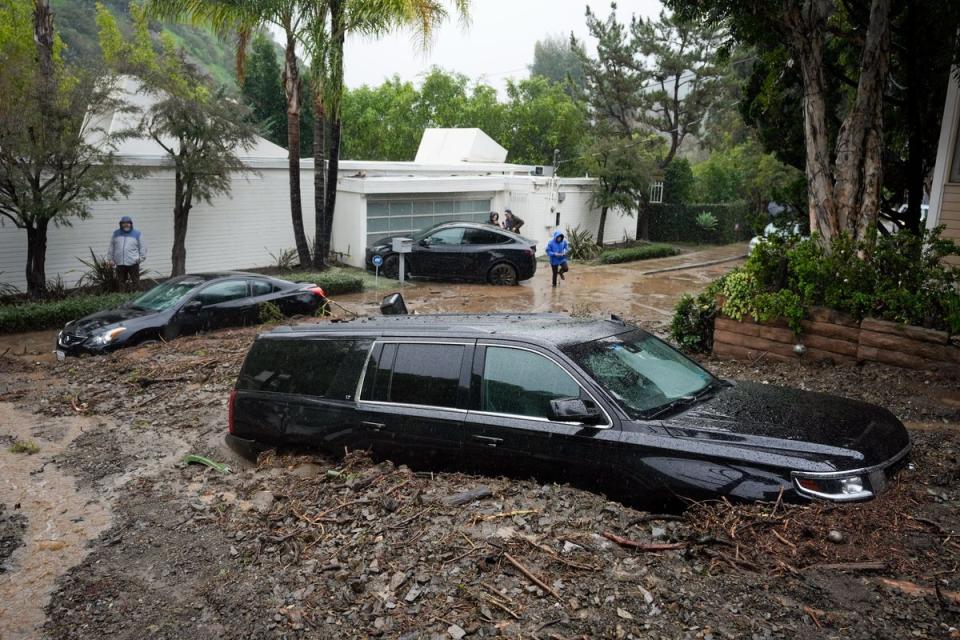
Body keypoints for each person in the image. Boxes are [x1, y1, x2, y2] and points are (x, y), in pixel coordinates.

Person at [107, 216, 146, 290]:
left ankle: (138, 296)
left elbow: (143, 247)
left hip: (133, 262)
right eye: (124, 223)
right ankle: (123, 296)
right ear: (121, 224)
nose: (126, 224)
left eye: (128, 223)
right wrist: (110, 259)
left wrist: (141, 258)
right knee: (121, 282)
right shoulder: (116, 234)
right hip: (119, 263)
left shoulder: (137, 234)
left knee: (136, 281)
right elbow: (111, 247)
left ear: (131, 224)